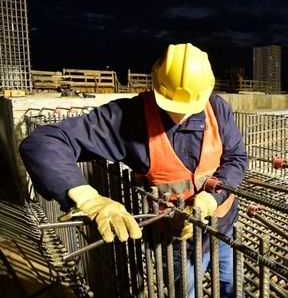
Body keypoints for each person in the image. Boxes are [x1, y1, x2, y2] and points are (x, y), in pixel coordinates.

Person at [20, 43, 248, 297]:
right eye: (173, 104)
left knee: (233, 289)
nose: (182, 114)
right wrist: (85, 197)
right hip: (173, 243)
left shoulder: (217, 110)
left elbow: (236, 158)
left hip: (223, 227)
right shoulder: (131, 118)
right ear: (157, 87)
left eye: (190, 106)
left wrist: (213, 198)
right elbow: (45, 141)